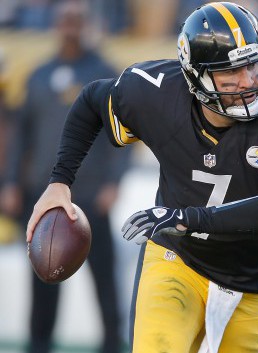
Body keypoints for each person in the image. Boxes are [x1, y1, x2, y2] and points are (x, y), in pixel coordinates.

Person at [24, 2, 258, 353]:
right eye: (231, 72)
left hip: (253, 279)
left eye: (255, 65)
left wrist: (186, 217)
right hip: (178, 260)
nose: (250, 82)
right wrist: (59, 183)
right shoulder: (156, 92)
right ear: (196, 76)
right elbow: (91, 101)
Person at [0, 1, 127, 352]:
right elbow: (20, 135)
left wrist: (114, 182)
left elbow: (125, 135)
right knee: (43, 276)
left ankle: (111, 344)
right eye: (65, 20)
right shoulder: (39, 75)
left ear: (87, 25)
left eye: (77, 20)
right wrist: (11, 182)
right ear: (57, 25)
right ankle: (39, 343)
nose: (70, 27)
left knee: (104, 279)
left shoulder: (105, 73)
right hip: (44, 195)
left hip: (91, 194)